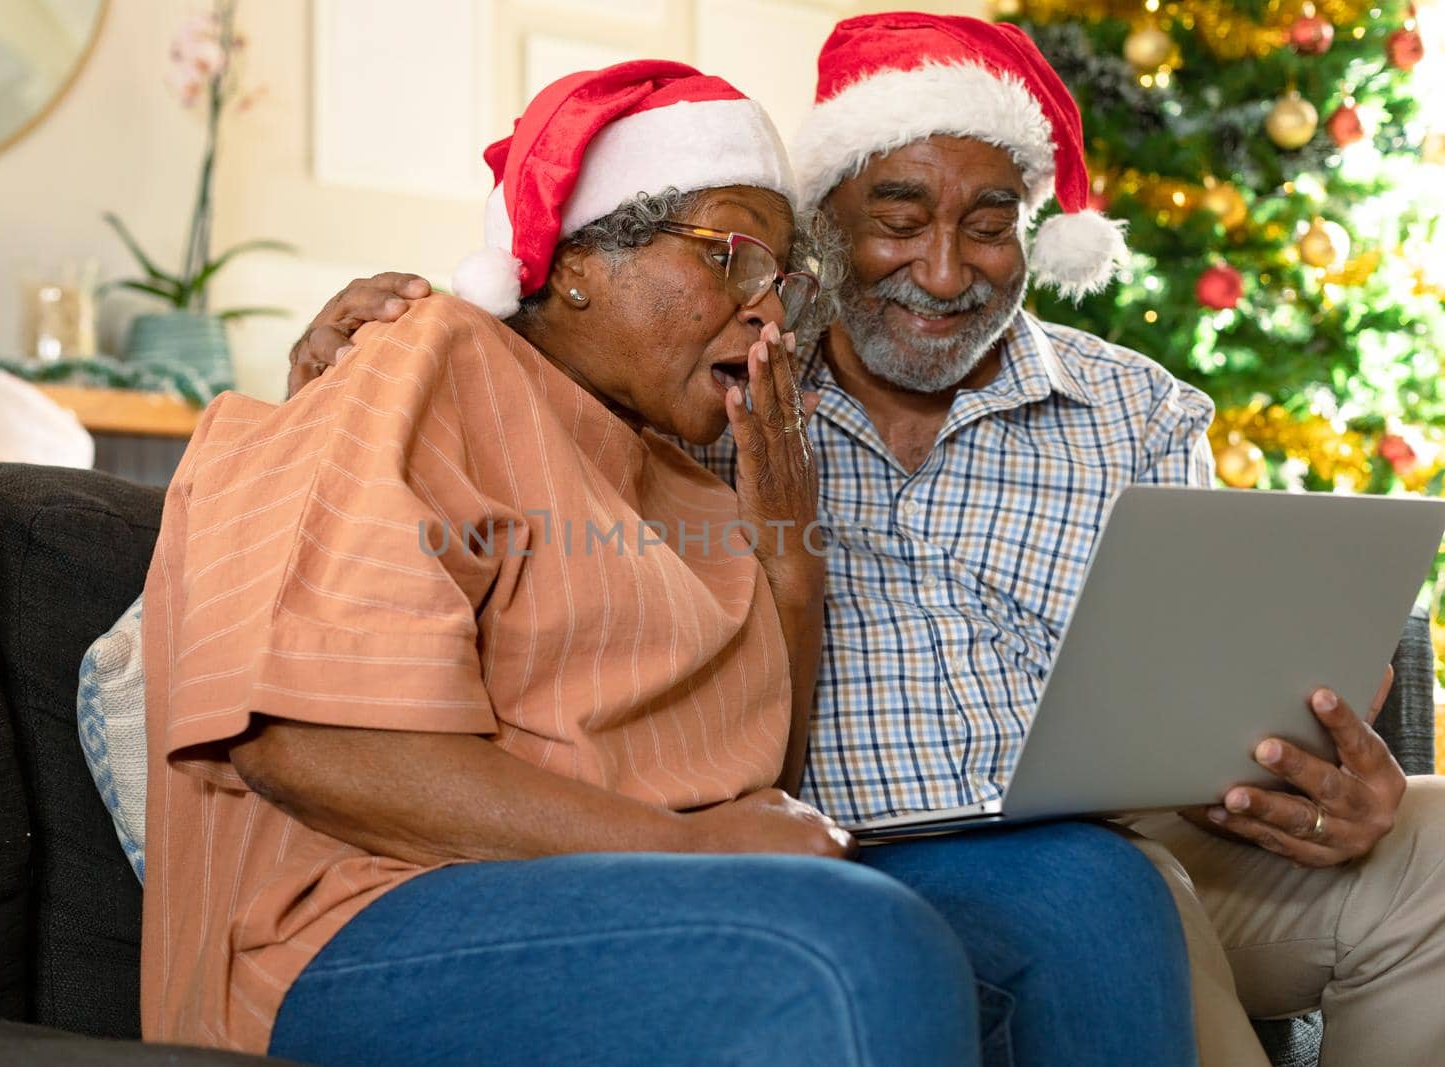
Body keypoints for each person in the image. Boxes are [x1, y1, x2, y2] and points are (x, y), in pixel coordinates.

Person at [290, 14, 1445, 1067]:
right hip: (860, 843)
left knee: (1422, 842)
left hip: (1142, 828)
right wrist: (361, 344)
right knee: (1099, 888)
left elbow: (1229, 679)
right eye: (896, 222)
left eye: (990, 228)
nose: (944, 273)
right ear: (822, 230)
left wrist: (1312, 764)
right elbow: (539, 352)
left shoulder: (1137, 410)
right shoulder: (711, 375)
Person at [138, 58, 1196, 1066]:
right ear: (578, 264)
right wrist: (687, 851)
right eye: (728, 256)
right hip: (356, 919)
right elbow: (311, 746)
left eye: (782, 277)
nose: (769, 310)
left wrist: (786, 545)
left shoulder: (689, 459)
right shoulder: (427, 359)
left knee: (1088, 893)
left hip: (632, 891)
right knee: (842, 939)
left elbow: (757, 786)